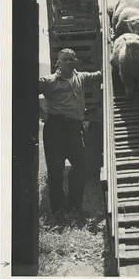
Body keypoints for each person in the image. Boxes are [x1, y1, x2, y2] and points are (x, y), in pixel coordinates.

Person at [39, 48, 102, 218]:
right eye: (64, 59)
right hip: (55, 129)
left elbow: (99, 75)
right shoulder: (49, 81)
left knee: (82, 167)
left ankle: (74, 206)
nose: (68, 62)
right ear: (57, 62)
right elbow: (28, 93)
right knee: (56, 169)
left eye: (71, 59)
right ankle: (58, 210)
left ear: (75, 61)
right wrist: (43, 114)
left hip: (75, 128)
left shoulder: (80, 78)